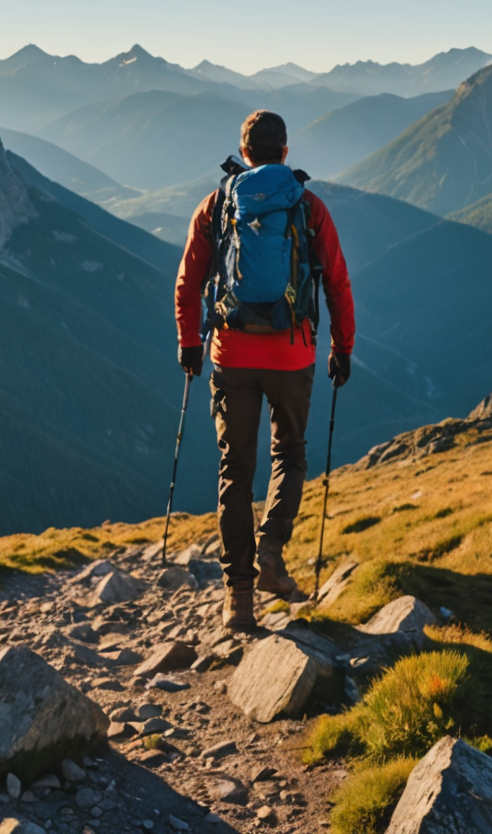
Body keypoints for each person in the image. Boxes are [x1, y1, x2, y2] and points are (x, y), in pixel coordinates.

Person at [173, 110, 355, 632]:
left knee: (235, 470)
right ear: (285, 152)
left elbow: (188, 282)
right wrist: (342, 347)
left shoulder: (217, 204)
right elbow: (337, 282)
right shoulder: (308, 206)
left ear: (245, 152)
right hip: (293, 355)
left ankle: (238, 599)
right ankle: (271, 551)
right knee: (289, 454)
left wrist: (190, 343)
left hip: (231, 354)